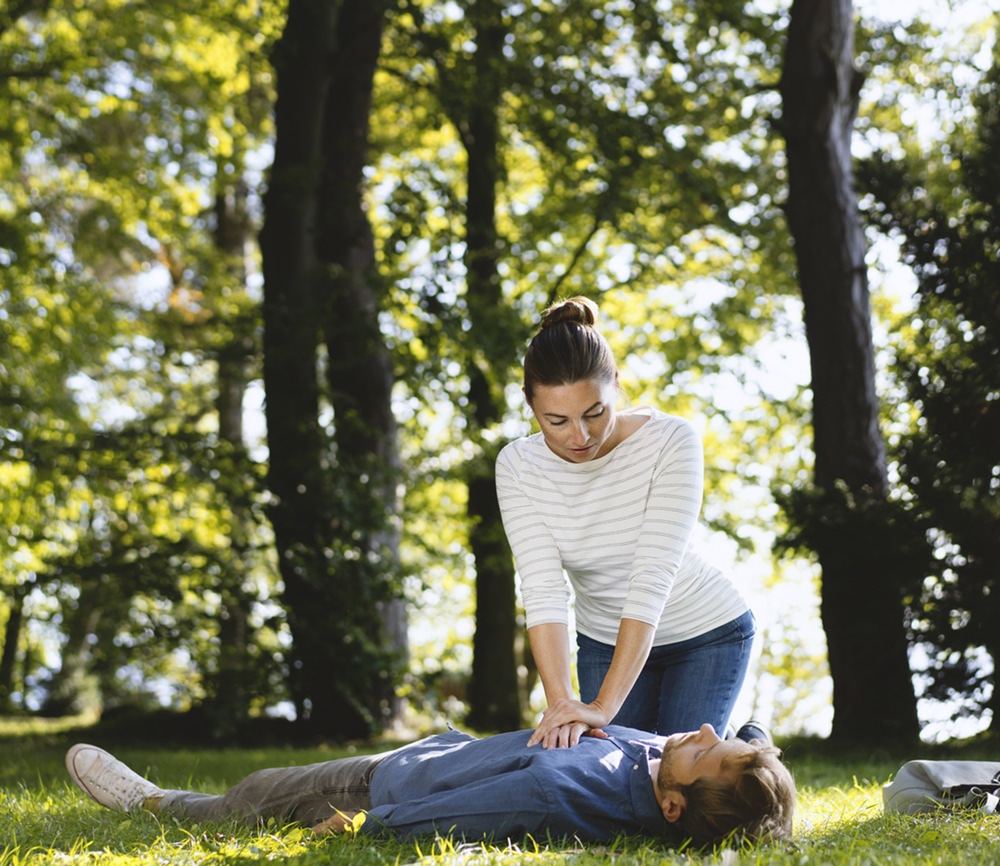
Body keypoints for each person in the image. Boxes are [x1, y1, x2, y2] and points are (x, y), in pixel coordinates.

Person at [498, 296, 755, 749]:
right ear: (529, 405)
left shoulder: (671, 441)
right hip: (603, 641)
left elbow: (651, 576)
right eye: (556, 420)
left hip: (705, 633)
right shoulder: (518, 466)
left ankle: (746, 741)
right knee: (614, 777)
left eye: (594, 413)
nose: (580, 437)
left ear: (616, 384)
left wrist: (602, 708)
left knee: (675, 783)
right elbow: (543, 590)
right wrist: (562, 706)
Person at [64, 722, 794, 847]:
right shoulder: (650, 773)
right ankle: (172, 802)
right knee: (262, 792)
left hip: (380, 790)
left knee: (254, 796)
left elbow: (471, 814)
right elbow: (747, 750)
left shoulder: (565, 793)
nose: (700, 732)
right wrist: (756, 752)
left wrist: (367, 827)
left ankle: (156, 803)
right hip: (429, 756)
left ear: (672, 806)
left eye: (707, 750)